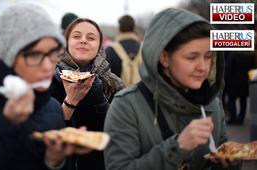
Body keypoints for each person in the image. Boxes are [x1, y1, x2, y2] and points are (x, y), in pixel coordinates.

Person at [0, 3, 90, 170]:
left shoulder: (52, 108)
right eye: (35, 54)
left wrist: (55, 161)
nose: (48, 66)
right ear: (8, 57)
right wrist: (6, 122)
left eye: (53, 54)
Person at [104, 8, 240, 170]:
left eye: (208, 56)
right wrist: (178, 147)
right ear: (165, 58)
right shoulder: (126, 106)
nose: (203, 67)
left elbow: (222, 152)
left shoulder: (213, 105)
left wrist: (228, 164)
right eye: (192, 57)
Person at [51, 18, 124, 170]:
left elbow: (121, 134)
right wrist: (70, 101)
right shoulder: (48, 80)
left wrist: (100, 102)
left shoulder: (113, 84)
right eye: (76, 36)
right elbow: (47, 133)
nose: (83, 41)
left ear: (99, 46)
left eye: (91, 38)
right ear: (66, 42)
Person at [106, 15, 141, 86]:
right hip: (142, 95)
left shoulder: (110, 50)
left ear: (119, 28)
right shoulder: (144, 49)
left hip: (117, 95)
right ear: (134, 28)